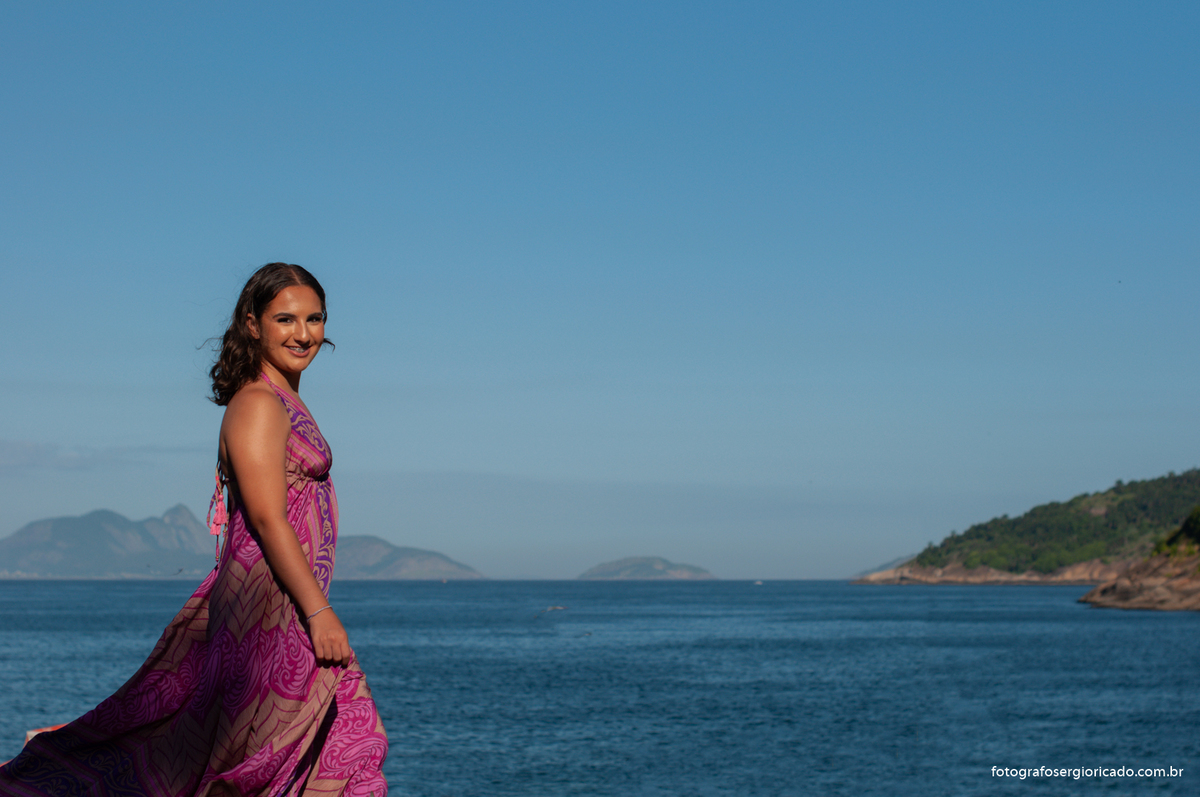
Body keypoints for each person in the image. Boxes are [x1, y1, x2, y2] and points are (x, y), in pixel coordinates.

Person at [0, 263, 388, 796]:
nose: (303, 333)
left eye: (314, 318)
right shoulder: (258, 403)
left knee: (315, 749)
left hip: (285, 602)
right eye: (285, 319)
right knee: (304, 753)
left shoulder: (283, 400)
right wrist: (319, 612)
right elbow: (267, 517)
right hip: (271, 609)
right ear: (253, 325)